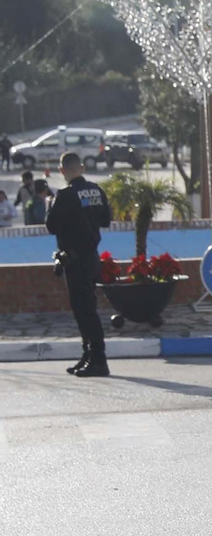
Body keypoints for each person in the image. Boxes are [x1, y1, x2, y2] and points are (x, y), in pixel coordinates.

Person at [45, 152, 112, 377]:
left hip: (75, 260)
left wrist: (49, 205)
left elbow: (51, 226)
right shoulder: (97, 190)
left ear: (62, 170)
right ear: (82, 167)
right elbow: (106, 220)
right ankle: (88, 356)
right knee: (84, 309)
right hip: (91, 257)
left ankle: (98, 359)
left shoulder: (64, 195)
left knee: (85, 312)